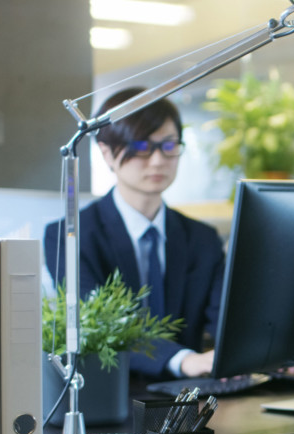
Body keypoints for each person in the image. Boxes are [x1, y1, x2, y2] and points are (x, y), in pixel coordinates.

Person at [45, 88, 224, 379]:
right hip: (109, 398)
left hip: (192, 399)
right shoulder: (69, 236)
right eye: (141, 146)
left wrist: (265, 358)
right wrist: (182, 359)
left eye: (168, 146)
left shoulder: (202, 239)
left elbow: (224, 322)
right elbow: (102, 322)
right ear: (106, 153)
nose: (157, 161)